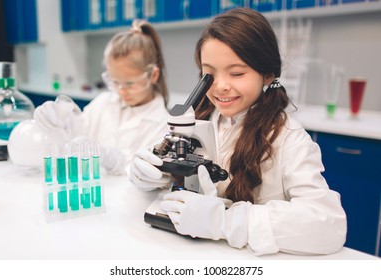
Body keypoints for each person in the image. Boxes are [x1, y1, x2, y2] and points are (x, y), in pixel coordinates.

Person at [129, 8, 347, 256]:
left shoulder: (289, 137)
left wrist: (225, 222)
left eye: (237, 73)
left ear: (267, 74)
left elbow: (329, 225)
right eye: (209, 73)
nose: (220, 86)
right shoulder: (199, 118)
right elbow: (167, 166)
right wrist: (151, 173)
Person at [34, 19, 169, 175]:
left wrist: (113, 160)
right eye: (115, 82)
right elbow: (75, 134)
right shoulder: (103, 102)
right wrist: (58, 121)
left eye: (130, 83)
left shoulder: (162, 125)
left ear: (153, 75)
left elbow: (153, 176)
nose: (121, 90)